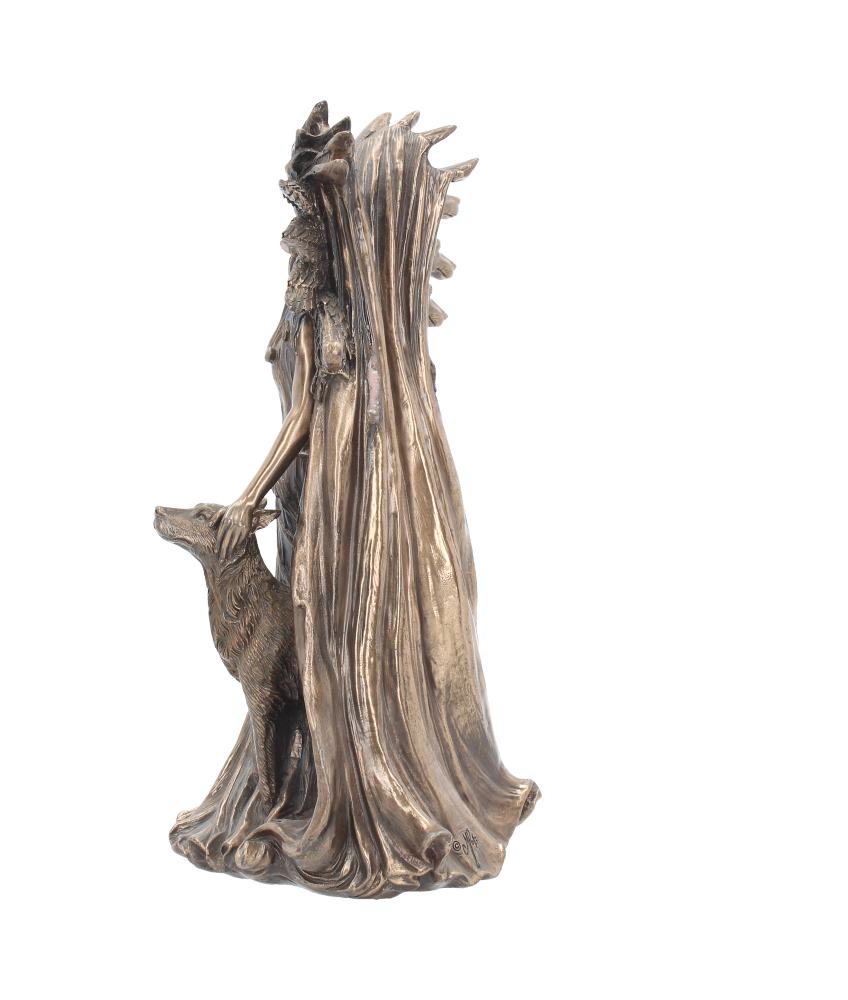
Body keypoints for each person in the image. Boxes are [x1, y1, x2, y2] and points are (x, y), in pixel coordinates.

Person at [171, 103, 538, 898]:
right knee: (307, 633)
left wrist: (246, 498)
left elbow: (304, 412)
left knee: (337, 627)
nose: (293, 239)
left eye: (303, 222)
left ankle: (359, 773)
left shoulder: (322, 314)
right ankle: (299, 773)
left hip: (332, 495)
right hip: (314, 494)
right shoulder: (321, 312)